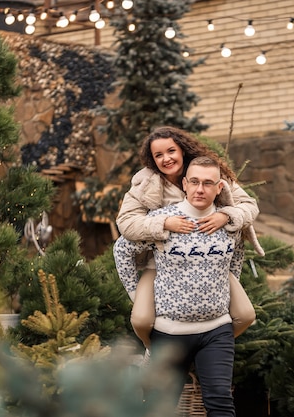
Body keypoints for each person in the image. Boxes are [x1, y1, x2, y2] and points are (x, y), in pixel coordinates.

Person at [116, 126, 264, 355]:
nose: (166, 159)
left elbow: (249, 206)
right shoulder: (145, 185)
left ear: (182, 150)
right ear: (152, 159)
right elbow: (126, 223)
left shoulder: (209, 175)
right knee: (142, 320)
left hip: (209, 263)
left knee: (245, 315)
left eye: (171, 151)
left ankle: (204, 348)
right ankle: (153, 352)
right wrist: (163, 223)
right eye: (159, 155)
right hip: (162, 263)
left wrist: (226, 215)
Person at [114, 156, 242, 417]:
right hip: (169, 333)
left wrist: (227, 290)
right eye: (194, 181)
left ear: (219, 188)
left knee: (220, 402)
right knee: (158, 407)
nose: (200, 189)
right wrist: (136, 294)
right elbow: (122, 251)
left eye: (208, 183)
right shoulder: (162, 220)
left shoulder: (228, 222)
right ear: (184, 183)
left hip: (216, 330)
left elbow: (236, 255)